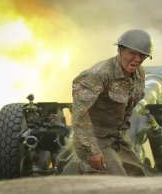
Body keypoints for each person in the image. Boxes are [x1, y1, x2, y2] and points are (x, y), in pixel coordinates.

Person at [63, 29, 152, 176]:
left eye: (142, 55)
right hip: (93, 139)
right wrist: (92, 151)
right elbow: (80, 116)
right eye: (132, 53)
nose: (137, 59)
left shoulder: (139, 74)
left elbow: (129, 106)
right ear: (120, 50)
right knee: (117, 179)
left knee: (138, 175)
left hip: (115, 138)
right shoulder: (97, 75)